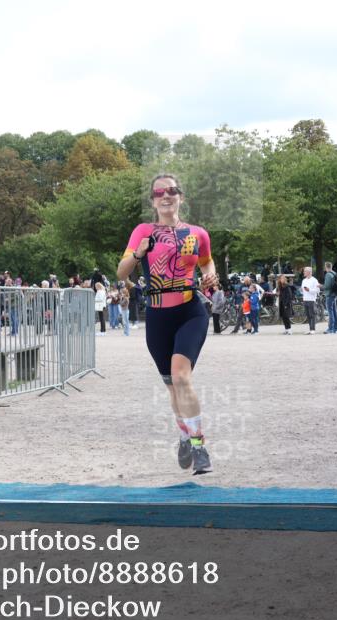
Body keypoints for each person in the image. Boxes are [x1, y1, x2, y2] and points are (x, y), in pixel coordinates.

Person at [116, 173, 217, 474]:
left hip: (190, 311)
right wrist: (138, 253)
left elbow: (206, 261)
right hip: (158, 316)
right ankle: (184, 435)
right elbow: (122, 272)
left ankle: (199, 446)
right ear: (153, 201)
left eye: (172, 190)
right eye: (159, 192)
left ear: (181, 197)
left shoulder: (197, 234)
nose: (166, 196)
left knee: (181, 377)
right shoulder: (143, 231)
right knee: (173, 388)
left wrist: (209, 275)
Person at [300, 266, 320, 334]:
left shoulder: (314, 280)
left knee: (312, 315)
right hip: (305, 299)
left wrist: (309, 290)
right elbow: (302, 290)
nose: (304, 272)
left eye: (305, 271)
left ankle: (313, 329)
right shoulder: (304, 280)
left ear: (309, 272)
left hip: (311, 299)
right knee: (308, 315)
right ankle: (310, 328)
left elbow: (317, 290)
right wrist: (301, 290)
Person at [322, 262, 337, 334]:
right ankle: (335, 327)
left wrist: (321, 286)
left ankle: (330, 328)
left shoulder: (328, 274)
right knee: (334, 311)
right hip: (334, 294)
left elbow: (327, 286)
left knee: (330, 312)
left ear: (326, 267)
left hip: (329, 294)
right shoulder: (334, 273)